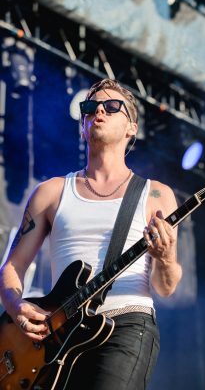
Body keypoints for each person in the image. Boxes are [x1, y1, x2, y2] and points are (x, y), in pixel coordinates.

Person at [0, 78, 182, 390]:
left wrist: (165, 259)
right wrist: (17, 308)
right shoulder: (52, 192)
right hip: (60, 333)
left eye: (112, 107)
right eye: (90, 107)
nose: (98, 110)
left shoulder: (156, 195)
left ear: (131, 128)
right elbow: (12, 268)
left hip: (126, 324)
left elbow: (165, 288)